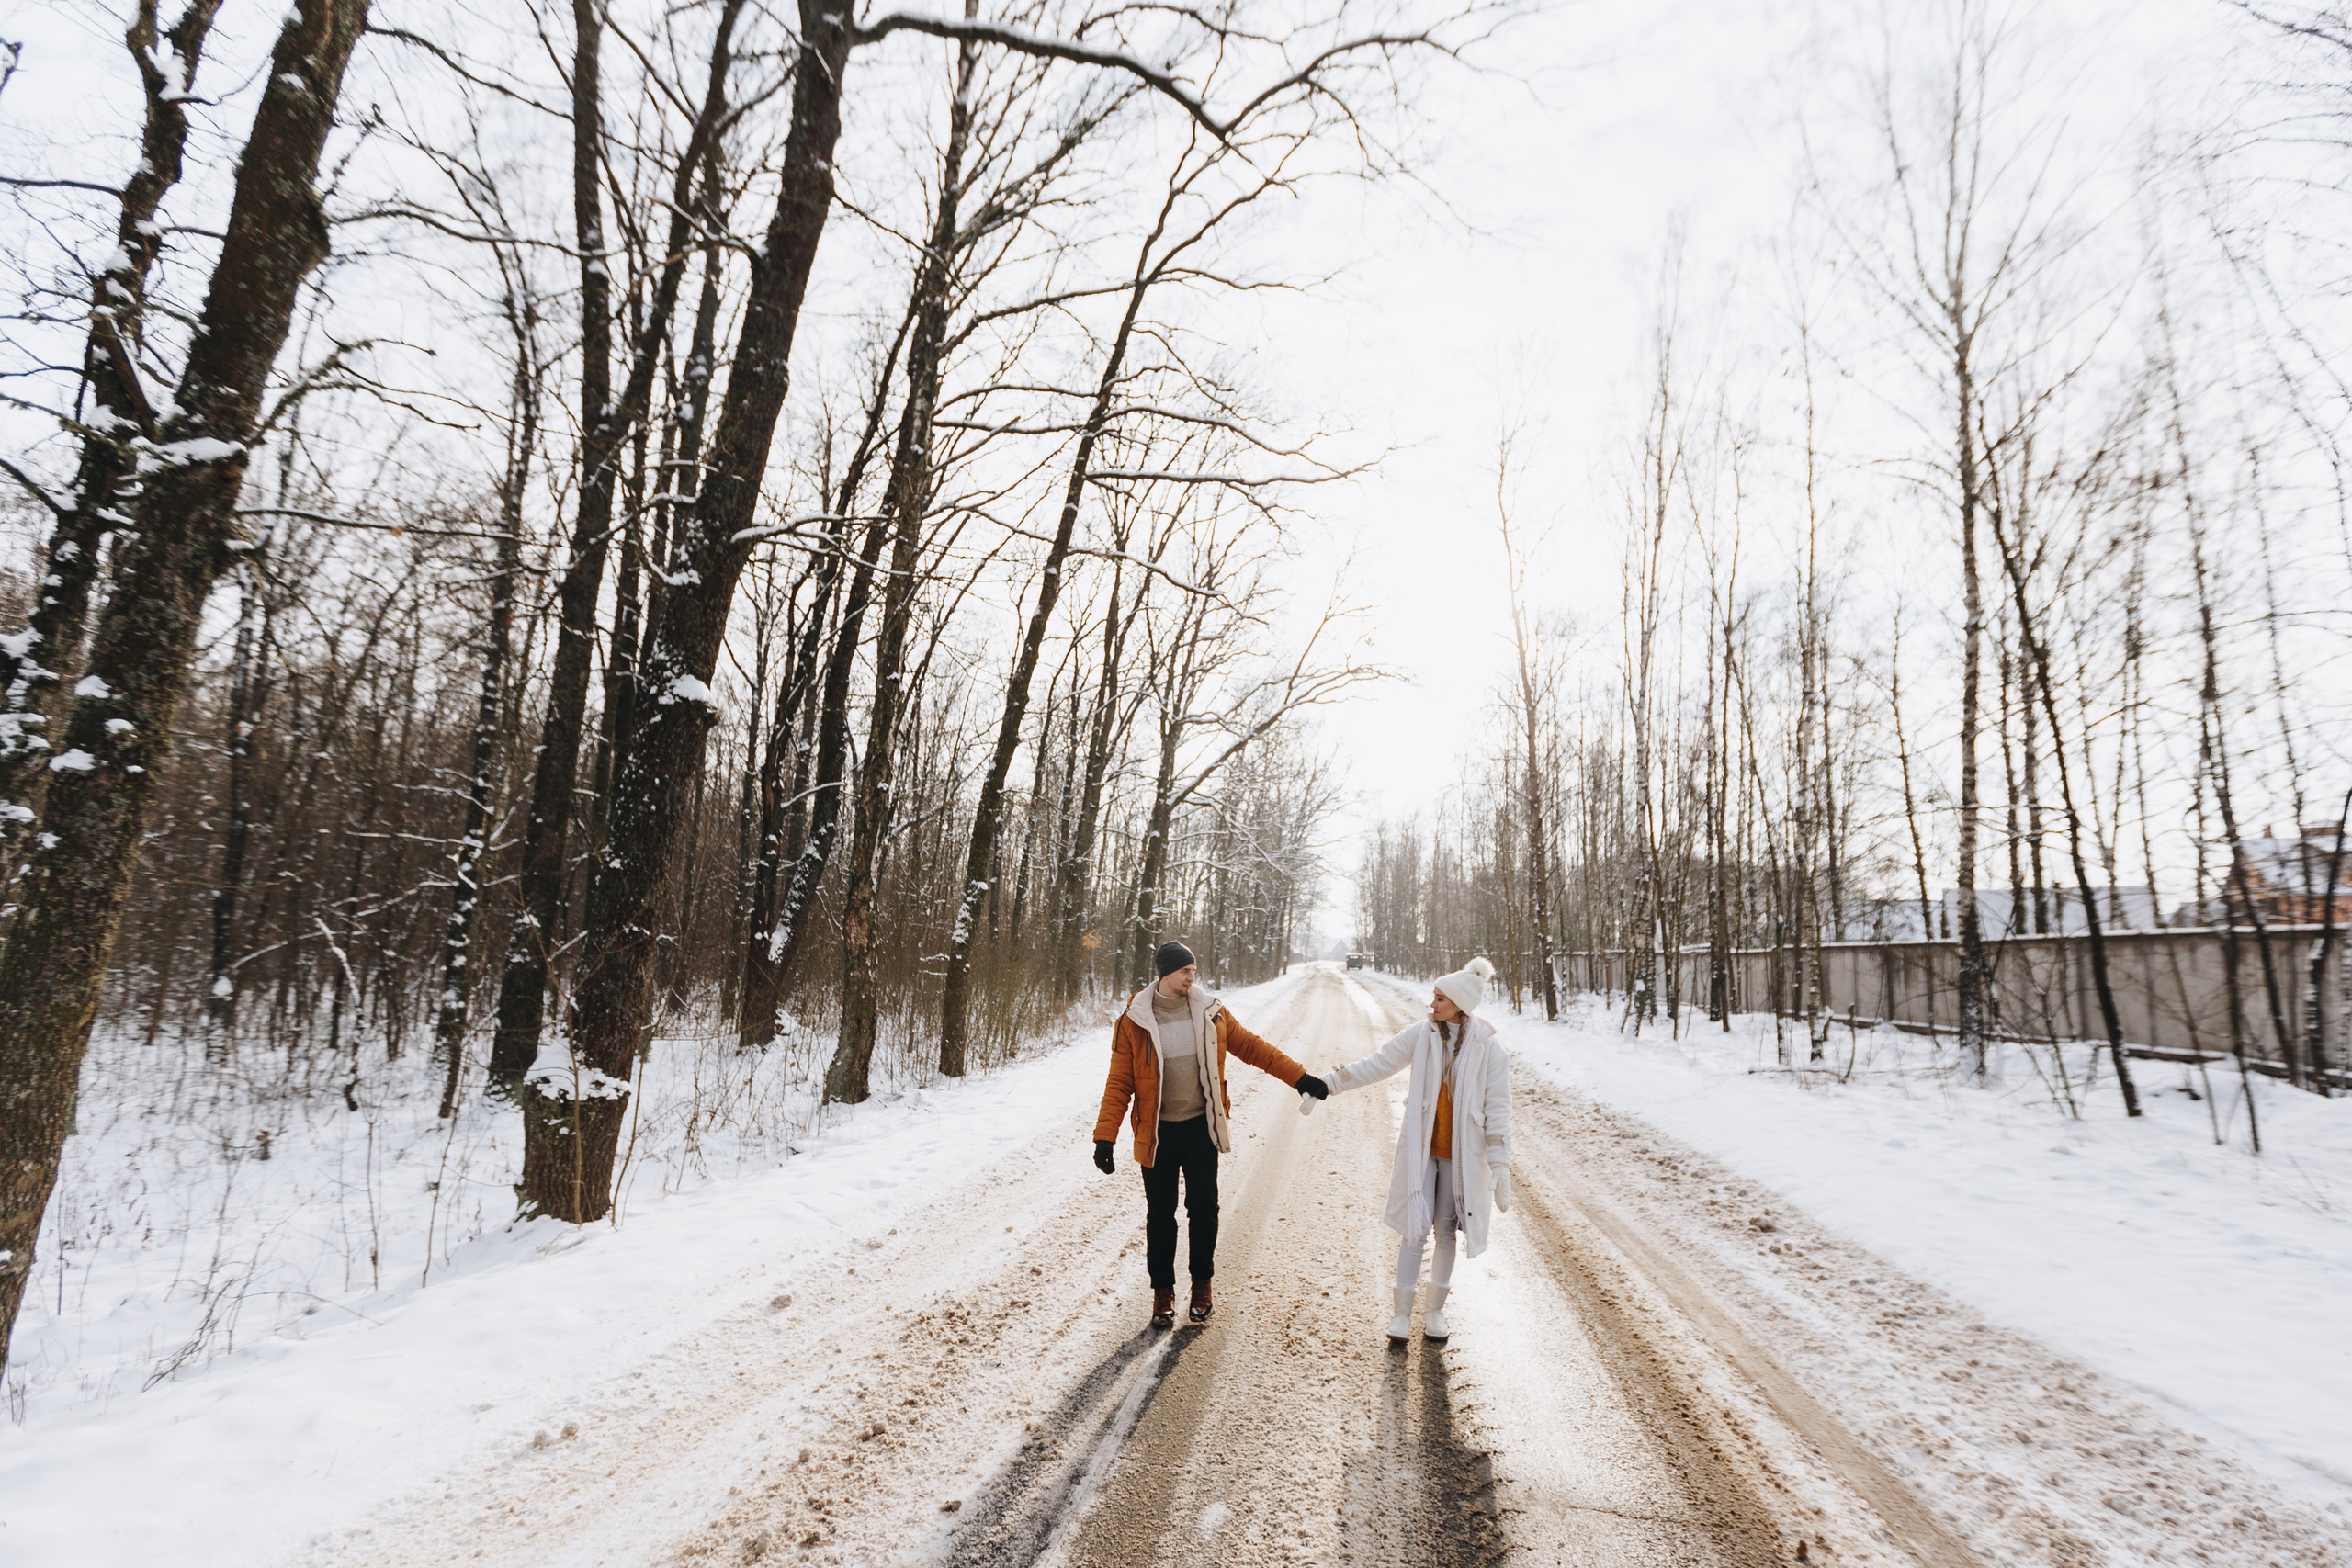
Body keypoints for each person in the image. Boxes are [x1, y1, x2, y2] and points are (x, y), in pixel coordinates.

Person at [1093, 942, 1329, 1327]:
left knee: (1204, 1209)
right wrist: (1105, 1136)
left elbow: (1254, 1048)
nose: (1192, 977)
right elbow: (1119, 1082)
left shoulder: (1210, 1012)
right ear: (1165, 974)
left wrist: (1300, 1078)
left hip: (1201, 1128)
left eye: (1194, 970)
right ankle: (1162, 1292)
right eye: (1185, 971)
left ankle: (1202, 1285)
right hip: (1156, 1134)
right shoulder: (1134, 1020)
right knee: (1160, 1215)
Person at [1319, 956, 1512, 1344]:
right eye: (1434, 996)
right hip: (1422, 1151)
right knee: (1415, 1228)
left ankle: (1435, 1312)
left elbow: (1498, 1108)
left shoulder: (1490, 1049)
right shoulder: (1421, 1035)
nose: (1433, 1004)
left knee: (1445, 1230)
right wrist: (1328, 1084)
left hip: (1460, 1158)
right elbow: (1378, 1063)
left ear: (1460, 1005)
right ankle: (1401, 1316)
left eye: (1441, 998)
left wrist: (1500, 1162)